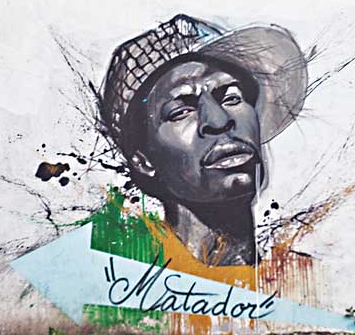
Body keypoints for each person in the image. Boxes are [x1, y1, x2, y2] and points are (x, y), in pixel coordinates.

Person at [99, 14, 308, 267]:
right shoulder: (128, 289)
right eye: (180, 111)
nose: (219, 120)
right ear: (143, 160)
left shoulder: (302, 282)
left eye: (231, 97)